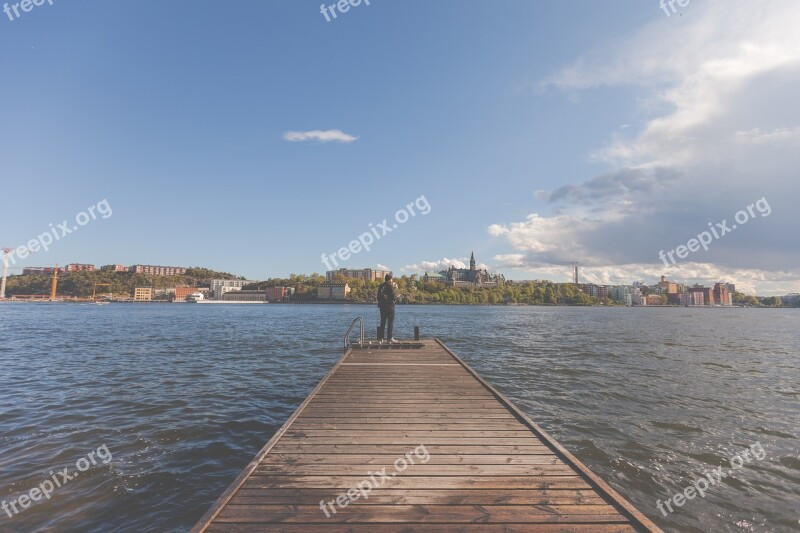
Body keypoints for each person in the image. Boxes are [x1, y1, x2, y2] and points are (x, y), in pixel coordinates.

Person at [377, 273, 398, 343]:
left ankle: (380, 339)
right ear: (390, 279)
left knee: (382, 322)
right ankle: (389, 339)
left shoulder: (381, 286)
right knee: (390, 323)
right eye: (392, 279)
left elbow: (378, 297)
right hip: (390, 307)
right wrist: (394, 301)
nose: (392, 280)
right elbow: (393, 296)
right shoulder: (390, 285)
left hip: (382, 307)